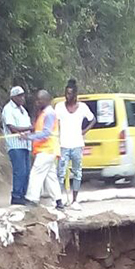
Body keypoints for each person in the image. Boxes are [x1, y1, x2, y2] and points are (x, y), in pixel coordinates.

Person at [54, 79, 95, 209]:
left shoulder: (82, 107)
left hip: (77, 144)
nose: (68, 96)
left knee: (77, 173)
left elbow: (92, 119)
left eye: (70, 93)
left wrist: (84, 131)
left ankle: (75, 200)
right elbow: (55, 123)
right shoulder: (59, 107)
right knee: (60, 173)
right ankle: (59, 200)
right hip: (63, 144)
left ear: (75, 94)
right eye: (66, 93)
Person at [25, 89, 65, 210]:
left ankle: (32, 199)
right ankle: (58, 201)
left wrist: (29, 137)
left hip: (47, 149)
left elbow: (46, 133)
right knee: (50, 176)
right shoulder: (45, 113)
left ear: (46, 100)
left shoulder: (49, 113)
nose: (37, 102)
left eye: (39, 100)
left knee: (36, 173)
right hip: (49, 149)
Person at [1, 86, 33, 206]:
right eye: (19, 96)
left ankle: (23, 195)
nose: (22, 98)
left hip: (25, 144)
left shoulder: (23, 110)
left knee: (26, 171)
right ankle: (16, 196)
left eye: (23, 95)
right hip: (15, 145)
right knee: (19, 171)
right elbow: (12, 128)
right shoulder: (8, 109)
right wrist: (29, 128)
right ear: (13, 97)